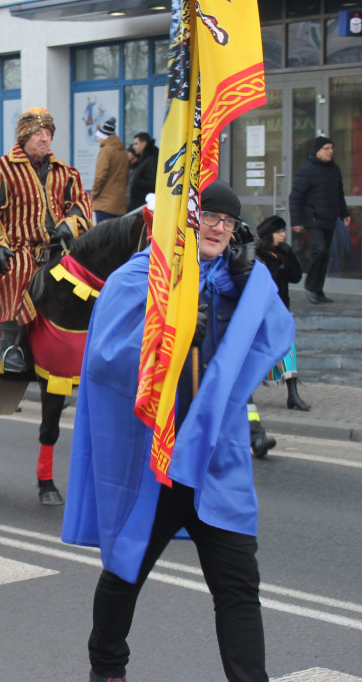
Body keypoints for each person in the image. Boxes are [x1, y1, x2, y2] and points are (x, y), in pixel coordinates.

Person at [62, 181, 294, 682]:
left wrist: (252, 281)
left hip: (215, 461)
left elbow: (273, 332)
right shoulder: (140, 276)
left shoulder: (237, 281)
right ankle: (107, 671)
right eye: (208, 216)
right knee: (125, 572)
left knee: (238, 587)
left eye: (228, 222)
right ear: (185, 219)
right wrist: (172, 335)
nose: (218, 228)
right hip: (156, 460)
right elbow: (104, 359)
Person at [0, 106, 92, 373]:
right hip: (18, 247)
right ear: (24, 137)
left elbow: (80, 200)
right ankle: (8, 342)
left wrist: (70, 224)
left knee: (85, 275)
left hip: (58, 246)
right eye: (38, 133)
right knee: (19, 269)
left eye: (48, 133)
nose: (44, 138)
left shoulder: (65, 172)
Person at [256, 215, 310, 413]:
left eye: (284, 231)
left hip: (280, 311)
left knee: (288, 348)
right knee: (251, 355)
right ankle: (244, 396)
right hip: (261, 313)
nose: (284, 235)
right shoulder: (257, 254)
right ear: (269, 234)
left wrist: (288, 258)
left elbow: (295, 277)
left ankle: (293, 395)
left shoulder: (282, 252)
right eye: (280, 232)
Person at [288, 136, 351, 304]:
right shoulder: (306, 171)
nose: (331, 151)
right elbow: (295, 198)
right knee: (320, 250)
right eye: (327, 148)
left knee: (324, 255)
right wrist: (296, 221)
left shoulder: (334, 170)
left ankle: (318, 290)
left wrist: (344, 214)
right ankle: (310, 286)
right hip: (313, 218)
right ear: (318, 151)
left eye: (332, 148)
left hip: (329, 218)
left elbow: (339, 194)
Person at [90, 117, 128, 222]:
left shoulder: (105, 151)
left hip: (105, 204)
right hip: (120, 204)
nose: (97, 140)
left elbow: (100, 176)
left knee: (104, 237)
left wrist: (93, 195)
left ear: (104, 137)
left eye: (98, 137)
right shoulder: (123, 152)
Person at [128, 132, 159, 211]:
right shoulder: (143, 159)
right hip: (139, 205)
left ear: (144, 143)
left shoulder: (152, 160)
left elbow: (153, 183)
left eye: (136, 144)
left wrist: (136, 182)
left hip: (144, 206)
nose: (134, 147)